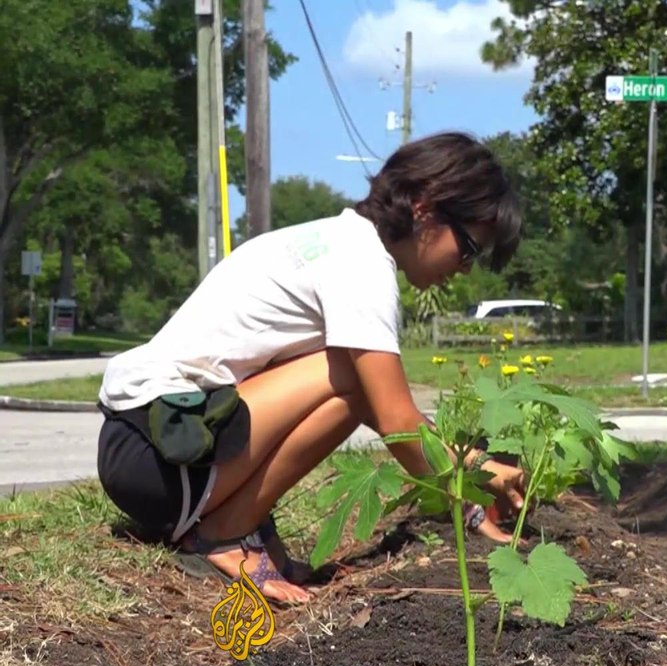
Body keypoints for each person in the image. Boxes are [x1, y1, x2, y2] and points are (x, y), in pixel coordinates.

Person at [95, 132, 527, 605]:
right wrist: (479, 473)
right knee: (354, 378)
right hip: (160, 456)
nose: (465, 268)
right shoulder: (362, 264)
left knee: (354, 376)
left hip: (146, 447)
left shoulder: (334, 240)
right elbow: (398, 424)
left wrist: (467, 499)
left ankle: (242, 528)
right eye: (467, 247)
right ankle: (221, 533)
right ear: (425, 209)